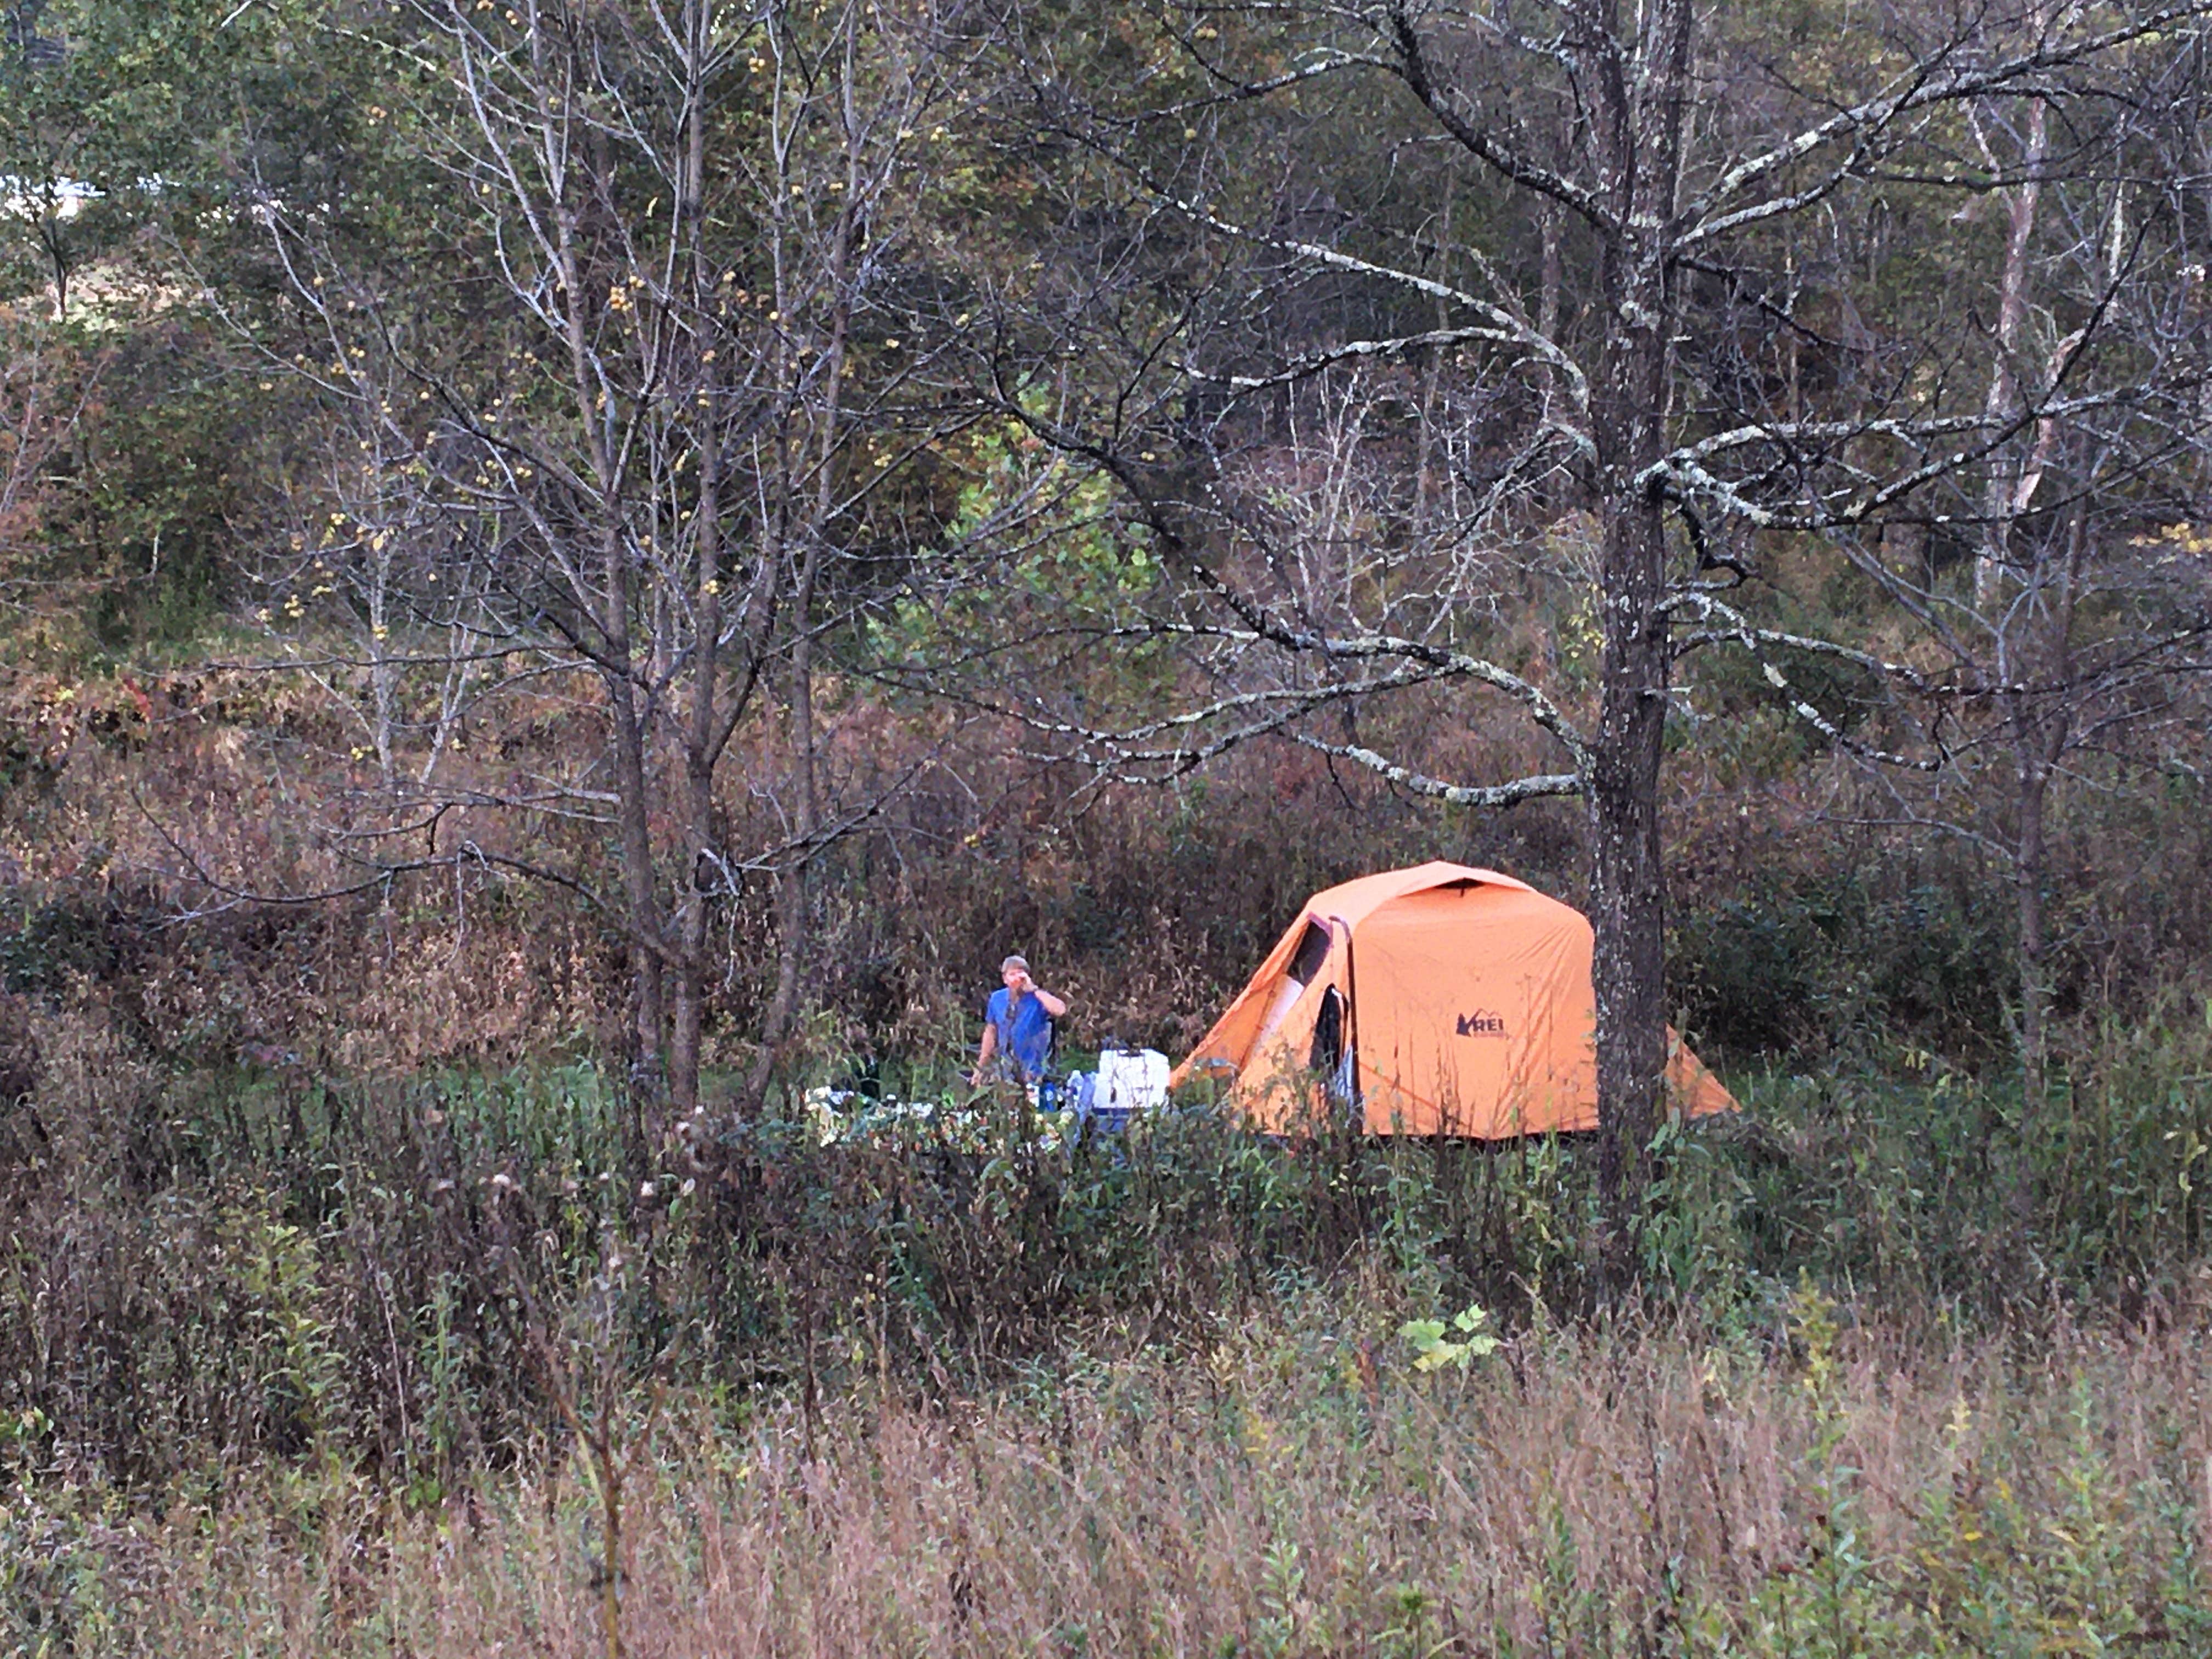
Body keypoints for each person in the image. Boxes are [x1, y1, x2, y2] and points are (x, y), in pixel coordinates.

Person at [971, 955, 1068, 1088]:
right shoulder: (997, 999)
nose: (1017, 979)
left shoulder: (1037, 999)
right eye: (1012, 975)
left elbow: (1060, 1010)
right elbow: (991, 1030)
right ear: (1005, 978)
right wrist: (982, 1064)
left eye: (1020, 975)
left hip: (1034, 1067)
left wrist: (1033, 989)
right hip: (1006, 1066)